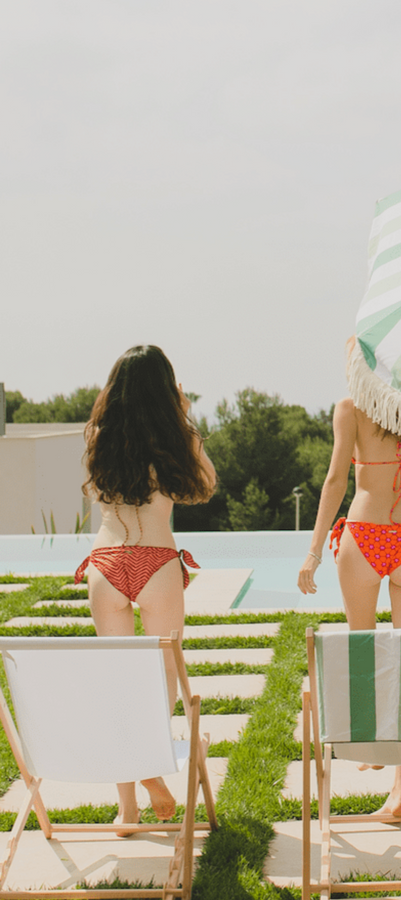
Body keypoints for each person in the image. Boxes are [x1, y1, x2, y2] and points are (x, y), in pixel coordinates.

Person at [77, 345, 217, 834]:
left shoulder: (98, 434)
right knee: (165, 687)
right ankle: (152, 768)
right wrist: (184, 418)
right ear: (167, 390)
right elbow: (205, 485)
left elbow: (96, 490)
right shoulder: (174, 436)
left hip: (107, 560)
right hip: (156, 561)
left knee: (118, 684)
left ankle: (128, 808)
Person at [298, 394, 401, 818]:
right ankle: (399, 793)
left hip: (364, 534)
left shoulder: (350, 407)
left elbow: (335, 481)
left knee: (362, 650)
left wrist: (314, 551)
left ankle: (370, 745)